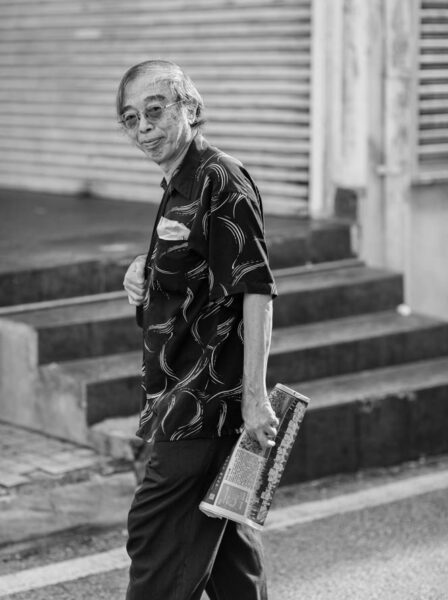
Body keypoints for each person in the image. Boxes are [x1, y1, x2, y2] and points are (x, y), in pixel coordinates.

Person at [120, 59, 279, 600]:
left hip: (204, 400)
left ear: (190, 107)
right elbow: (193, 270)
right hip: (177, 388)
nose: (143, 126)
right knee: (227, 548)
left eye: (155, 109)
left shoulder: (220, 178)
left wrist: (255, 398)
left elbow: (255, 287)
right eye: (131, 117)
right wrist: (144, 275)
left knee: (155, 533)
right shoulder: (178, 181)